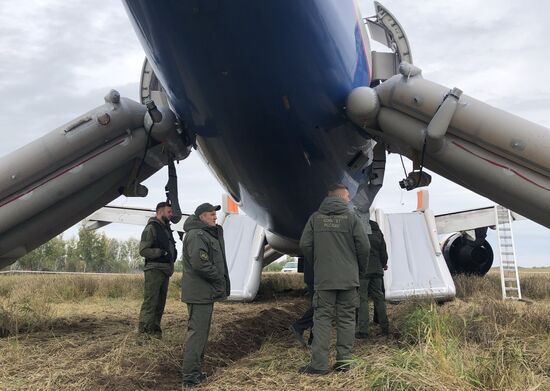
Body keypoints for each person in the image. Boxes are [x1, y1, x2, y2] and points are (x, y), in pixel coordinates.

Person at [299, 184, 370, 374]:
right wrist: (358, 269)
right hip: (348, 279)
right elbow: (364, 247)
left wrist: (319, 262)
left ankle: (319, 365)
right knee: (346, 320)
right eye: (347, 196)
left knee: (321, 320)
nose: (349, 199)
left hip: (324, 280)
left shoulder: (315, 218)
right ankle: (343, 363)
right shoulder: (352, 218)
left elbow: (305, 245)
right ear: (340, 197)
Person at [181, 203, 231, 388]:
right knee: (197, 335)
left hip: (204, 293)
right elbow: (200, 263)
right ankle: (190, 376)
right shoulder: (196, 235)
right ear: (202, 216)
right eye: (211, 215)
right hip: (199, 294)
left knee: (201, 334)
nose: (215, 217)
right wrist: (218, 277)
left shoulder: (204, 233)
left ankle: (195, 371)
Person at [137, 201, 177, 338]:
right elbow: (143, 250)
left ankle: (155, 332)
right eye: (169, 212)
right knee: (150, 302)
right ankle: (144, 333)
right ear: (160, 211)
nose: (171, 215)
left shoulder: (166, 228)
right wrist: (160, 253)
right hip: (154, 269)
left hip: (165, 270)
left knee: (160, 304)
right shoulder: (151, 228)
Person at [356, 220, 389, 338]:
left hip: (363, 271)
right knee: (379, 298)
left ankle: (363, 330)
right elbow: (383, 252)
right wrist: (383, 264)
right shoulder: (377, 231)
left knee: (362, 300)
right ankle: (385, 327)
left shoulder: (358, 229)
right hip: (377, 270)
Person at [289, 257, 314, 347]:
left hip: (314, 273)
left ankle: (313, 340)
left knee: (318, 306)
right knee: (320, 306)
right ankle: (299, 326)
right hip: (316, 274)